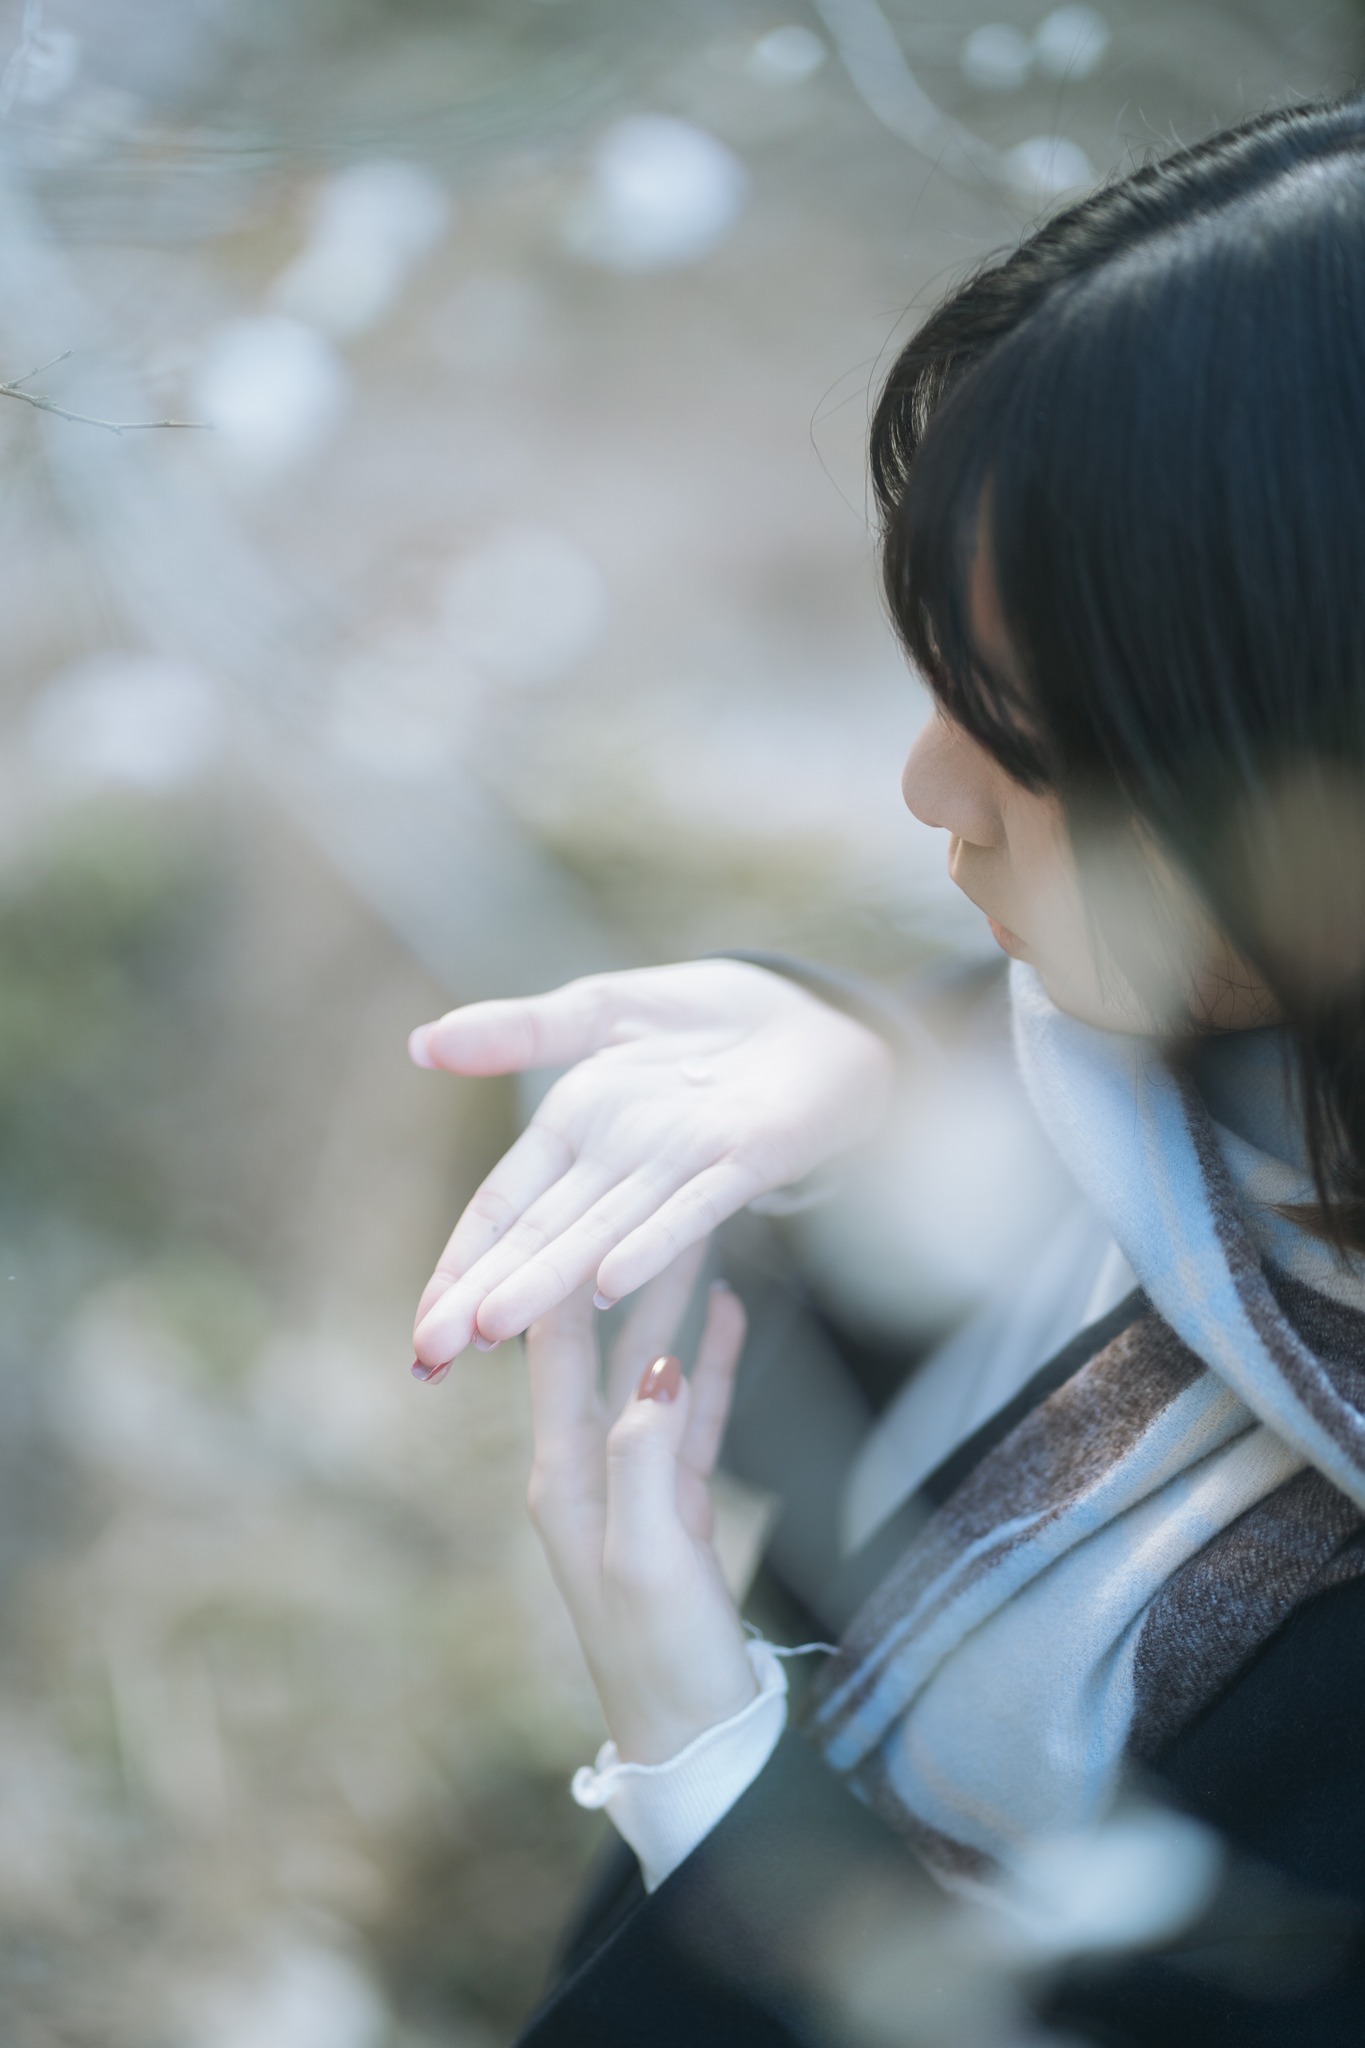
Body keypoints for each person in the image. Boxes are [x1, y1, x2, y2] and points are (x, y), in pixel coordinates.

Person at [407, 93, 1365, 2044]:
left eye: (1030, 731)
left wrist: (710, 1768)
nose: (927, 787)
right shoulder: (1238, 1095)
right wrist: (856, 1072)